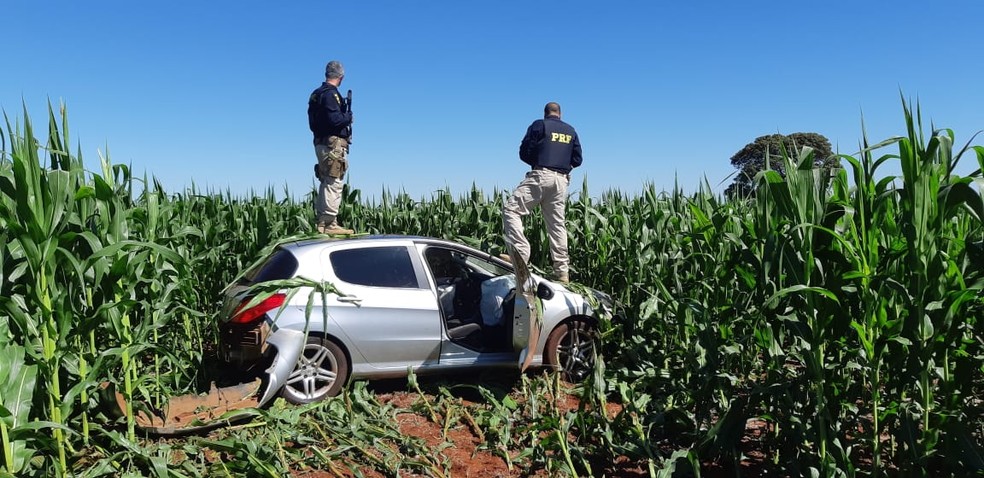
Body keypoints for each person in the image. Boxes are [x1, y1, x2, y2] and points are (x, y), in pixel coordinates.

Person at [502, 102, 582, 283]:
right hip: (562, 181)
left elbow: (524, 151)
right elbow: (577, 159)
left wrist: (536, 160)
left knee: (511, 209)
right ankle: (562, 271)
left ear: (546, 113)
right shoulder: (571, 130)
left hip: (541, 175)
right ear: (560, 113)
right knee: (557, 225)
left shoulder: (540, 125)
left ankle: (520, 253)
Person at [308, 60, 354, 235]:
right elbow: (334, 120)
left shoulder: (315, 94)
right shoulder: (331, 95)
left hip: (320, 142)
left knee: (326, 180)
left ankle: (322, 221)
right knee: (334, 181)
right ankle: (329, 223)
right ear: (340, 77)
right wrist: (348, 117)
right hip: (332, 144)